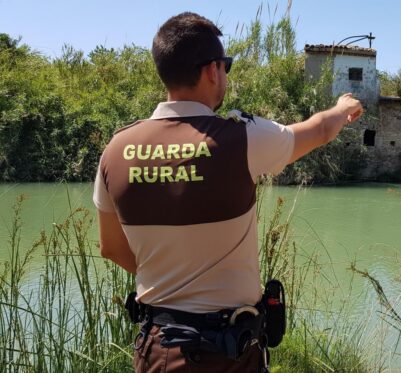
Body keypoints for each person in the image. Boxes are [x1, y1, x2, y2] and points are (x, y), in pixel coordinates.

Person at [93, 12, 362, 372]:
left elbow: (110, 247)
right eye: (226, 66)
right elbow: (317, 130)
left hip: (158, 349)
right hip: (228, 352)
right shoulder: (241, 138)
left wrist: (171, 280)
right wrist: (342, 109)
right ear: (211, 71)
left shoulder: (116, 150)